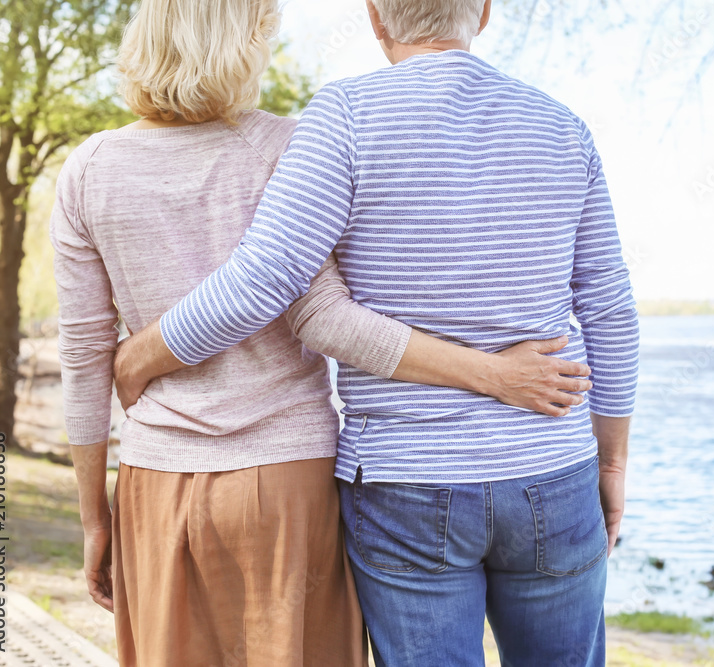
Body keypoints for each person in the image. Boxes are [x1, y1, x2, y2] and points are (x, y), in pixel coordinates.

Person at [52, 0, 592, 665]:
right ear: (250, 40)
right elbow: (323, 315)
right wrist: (498, 376)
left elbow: (81, 360)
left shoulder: (87, 169)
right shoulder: (288, 143)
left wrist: (92, 517)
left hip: (154, 477)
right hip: (285, 479)